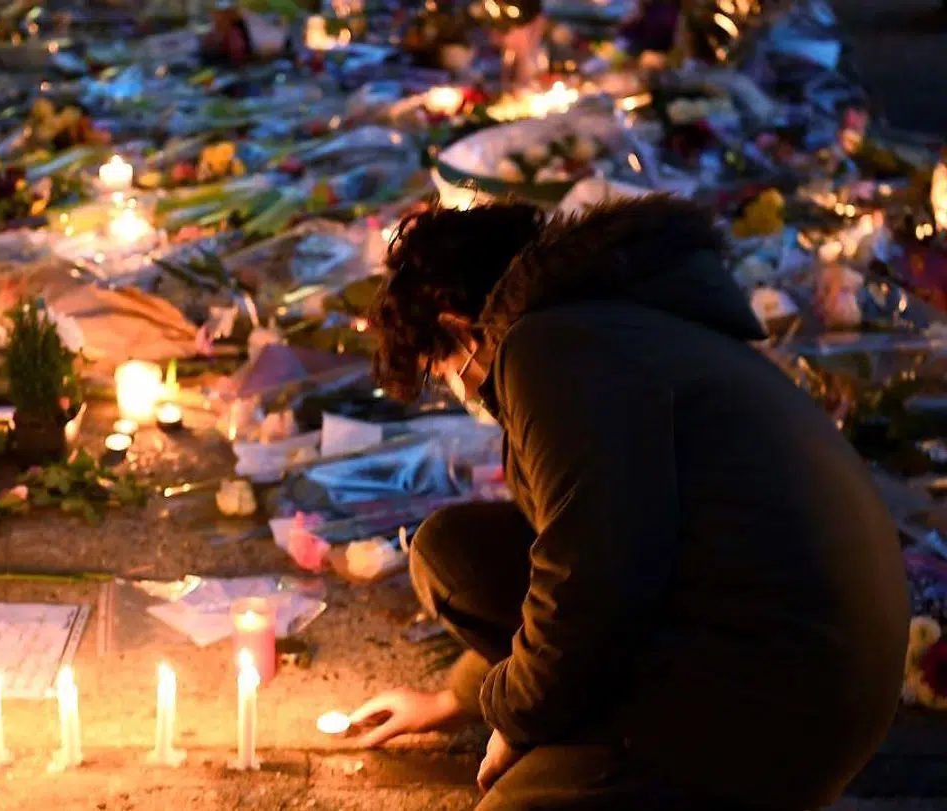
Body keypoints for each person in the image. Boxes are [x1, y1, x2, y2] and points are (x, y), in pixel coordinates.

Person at [354, 195, 909, 810]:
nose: (461, 386)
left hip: (776, 702)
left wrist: (516, 722)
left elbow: (595, 579)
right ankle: (595, 736)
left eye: (444, 364)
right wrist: (455, 700)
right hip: (797, 660)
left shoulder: (549, 347)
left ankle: (646, 766)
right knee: (451, 553)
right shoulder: (615, 322)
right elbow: (576, 550)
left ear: (457, 323)